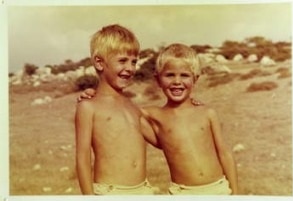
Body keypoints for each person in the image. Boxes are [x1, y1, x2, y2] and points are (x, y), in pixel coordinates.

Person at [79, 43, 238, 195]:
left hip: (219, 188)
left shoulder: (207, 112)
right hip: (181, 193)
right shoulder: (150, 114)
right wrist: (93, 93)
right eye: (170, 75)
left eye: (184, 75)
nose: (177, 81)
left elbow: (224, 154)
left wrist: (236, 194)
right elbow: (117, 108)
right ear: (158, 80)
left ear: (195, 78)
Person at [75, 24, 157, 195]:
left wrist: (181, 105)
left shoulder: (133, 107)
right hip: (111, 192)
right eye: (122, 61)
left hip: (143, 190)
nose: (130, 68)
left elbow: (161, 142)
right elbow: (82, 158)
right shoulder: (89, 106)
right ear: (99, 63)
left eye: (134, 62)